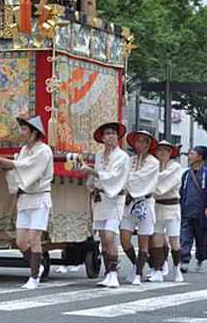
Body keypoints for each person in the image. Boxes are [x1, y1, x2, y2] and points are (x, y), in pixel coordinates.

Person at [0, 115, 53, 289]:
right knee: (21, 241)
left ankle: (34, 277)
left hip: (40, 197)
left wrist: (9, 163)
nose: (22, 132)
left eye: (25, 129)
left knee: (34, 238)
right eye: (22, 129)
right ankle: (38, 264)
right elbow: (20, 168)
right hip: (25, 197)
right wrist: (6, 165)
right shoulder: (24, 150)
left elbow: (28, 167)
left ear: (34, 133)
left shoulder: (44, 150)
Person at [81, 122, 130, 288]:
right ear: (102, 138)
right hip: (100, 199)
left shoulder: (122, 156)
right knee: (102, 238)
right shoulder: (99, 156)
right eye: (107, 133)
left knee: (110, 236)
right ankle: (108, 272)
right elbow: (96, 177)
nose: (111, 136)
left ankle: (114, 273)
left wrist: (91, 171)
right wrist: (90, 181)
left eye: (113, 133)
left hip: (115, 198)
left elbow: (113, 176)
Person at [120, 130, 159, 286]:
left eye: (144, 141)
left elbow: (139, 178)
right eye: (138, 140)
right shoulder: (130, 160)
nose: (140, 144)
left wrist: (127, 186)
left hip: (145, 202)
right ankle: (138, 264)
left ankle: (137, 273)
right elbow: (122, 177)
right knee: (124, 239)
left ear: (149, 145)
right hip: (129, 203)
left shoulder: (153, 162)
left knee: (143, 240)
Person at [179, 145, 207, 274]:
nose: (189, 156)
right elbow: (181, 192)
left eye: (192, 154)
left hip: (202, 213)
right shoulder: (185, 174)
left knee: (201, 240)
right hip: (187, 211)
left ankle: (200, 259)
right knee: (185, 237)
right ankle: (184, 260)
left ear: (200, 157)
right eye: (189, 154)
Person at [149, 140, 183, 283]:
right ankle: (158, 269)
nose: (163, 152)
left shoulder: (175, 167)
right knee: (157, 238)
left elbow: (164, 182)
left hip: (172, 207)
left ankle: (177, 269)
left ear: (171, 153)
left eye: (166, 150)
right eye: (160, 150)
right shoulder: (153, 166)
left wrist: (151, 181)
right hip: (157, 206)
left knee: (174, 240)